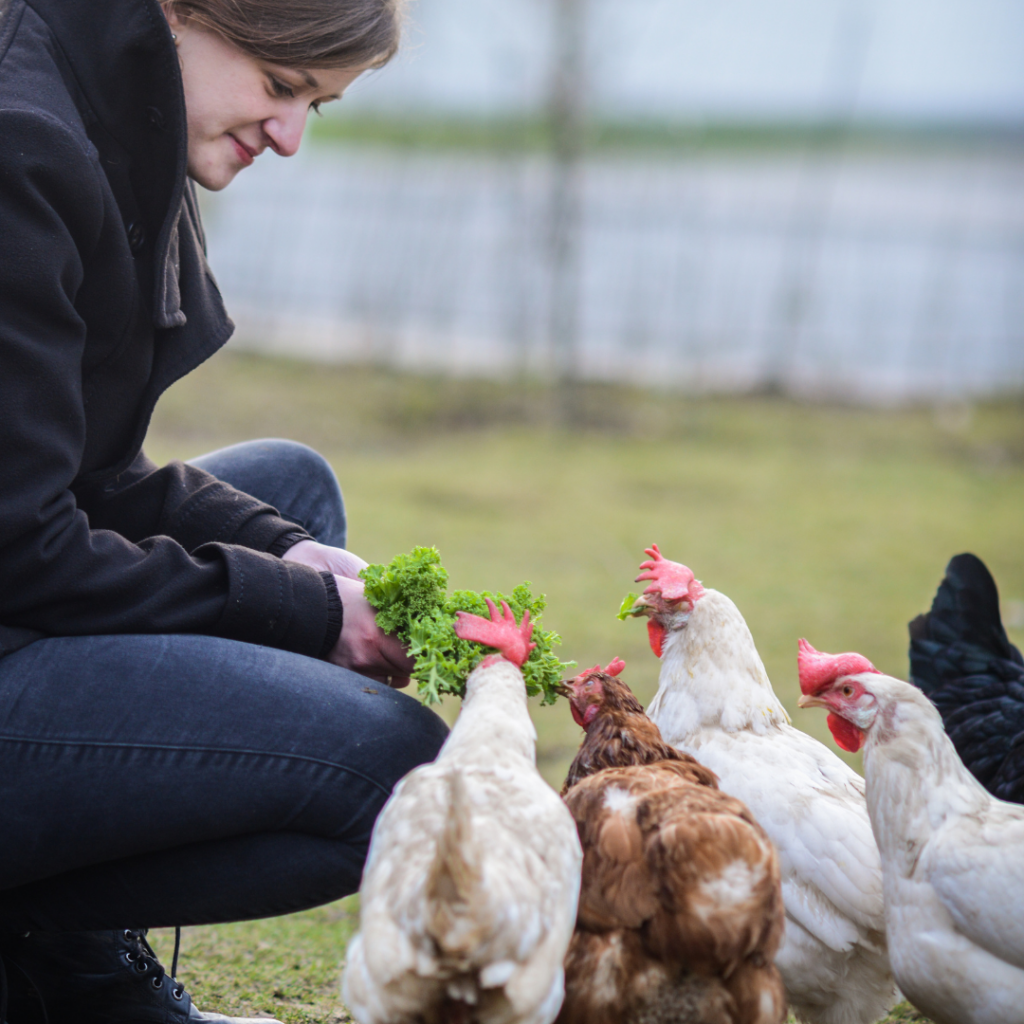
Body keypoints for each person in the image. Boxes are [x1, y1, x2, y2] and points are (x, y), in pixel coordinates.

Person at [0, 0, 449, 1021]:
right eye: (281, 87)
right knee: (399, 771)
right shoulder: (19, 142)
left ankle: (60, 964)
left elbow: (92, 475)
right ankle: (41, 965)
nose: (287, 136)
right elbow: (21, 544)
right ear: (180, 11)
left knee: (294, 492)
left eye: (314, 108)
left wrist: (295, 556)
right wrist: (304, 611)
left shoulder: (109, 104)